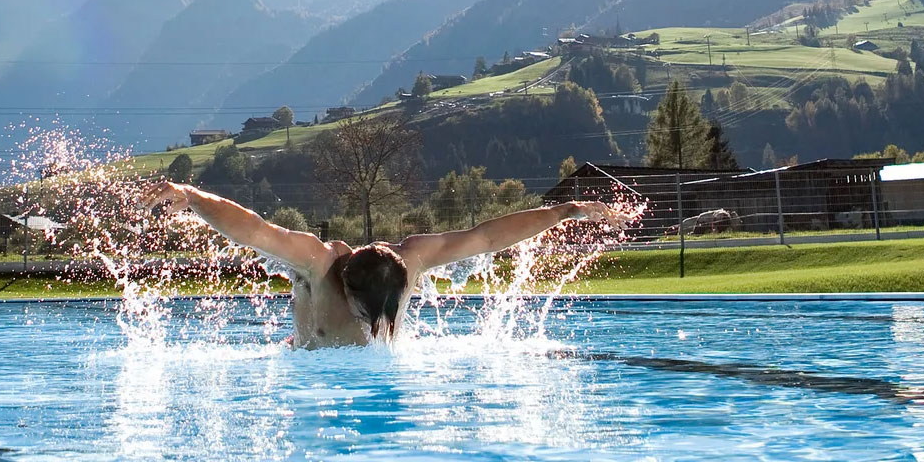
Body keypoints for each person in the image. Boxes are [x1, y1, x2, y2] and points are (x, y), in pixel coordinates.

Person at [152, 178, 617, 349]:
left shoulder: (409, 261)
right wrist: (191, 196)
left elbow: (487, 237)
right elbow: (254, 230)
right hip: (307, 369)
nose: (373, 326)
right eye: (365, 314)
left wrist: (566, 211)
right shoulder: (318, 262)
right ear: (346, 287)